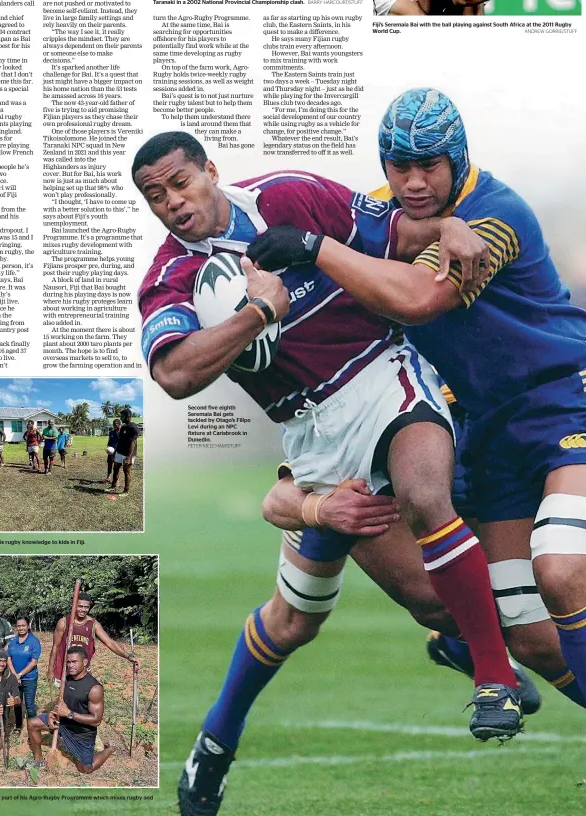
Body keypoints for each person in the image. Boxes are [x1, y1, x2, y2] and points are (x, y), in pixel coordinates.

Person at [132, 131, 521, 815]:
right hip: (311, 437)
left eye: (180, 183)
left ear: (209, 173)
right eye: (155, 196)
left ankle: (493, 679)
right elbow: (174, 372)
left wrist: (453, 224)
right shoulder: (170, 279)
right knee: (303, 620)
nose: (172, 202)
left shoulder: (288, 195)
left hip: (384, 376)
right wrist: (258, 313)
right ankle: (215, 742)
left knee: (427, 493)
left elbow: (396, 231)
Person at [247, 87, 586, 705]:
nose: (415, 181)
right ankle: (466, 645)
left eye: (429, 164)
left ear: (456, 158)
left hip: (562, 401)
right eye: (399, 166)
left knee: (562, 572)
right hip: (482, 430)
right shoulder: (375, 217)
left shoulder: (494, 216)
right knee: (530, 636)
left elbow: (414, 296)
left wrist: (317, 248)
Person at [27, 646, 114, 773]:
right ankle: (38, 760)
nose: (70, 665)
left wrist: (69, 714)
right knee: (32, 723)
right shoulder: (66, 679)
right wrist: (53, 714)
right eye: (68, 662)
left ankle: (109, 750)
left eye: (74, 662)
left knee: (85, 769)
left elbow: (96, 720)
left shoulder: (94, 688)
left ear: (84, 662)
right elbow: (61, 702)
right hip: (63, 723)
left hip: (81, 733)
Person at [47, 592, 140, 686]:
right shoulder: (64, 622)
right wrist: (50, 671)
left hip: (82, 670)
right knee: (64, 698)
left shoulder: (93, 624)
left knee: (85, 696)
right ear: (74, 605)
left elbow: (110, 643)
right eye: (80, 606)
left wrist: (128, 656)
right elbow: (55, 647)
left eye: (86, 607)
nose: (83, 610)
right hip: (65, 669)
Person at [7, 614, 42, 725]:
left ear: (28, 626)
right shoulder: (13, 641)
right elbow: (8, 659)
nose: (21, 628)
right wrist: (14, 675)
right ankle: (18, 725)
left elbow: (34, 662)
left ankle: (33, 726)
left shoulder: (34, 641)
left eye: (23, 625)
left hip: (29, 678)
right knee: (17, 702)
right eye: (19, 626)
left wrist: (20, 674)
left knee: (29, 705)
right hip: (15, 677)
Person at [109, 409, 139, 494]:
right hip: (119, 452)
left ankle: (126, 490)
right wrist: (115, 452)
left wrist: (128, 457)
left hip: (128, 454)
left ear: (127, 416)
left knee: (126, 471)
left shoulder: (133, 427)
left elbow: (132, 443)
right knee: (116, 469)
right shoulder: (124, 427)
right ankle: (113, 486)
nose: (120, 418)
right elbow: (120, 441)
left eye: (122, 416)